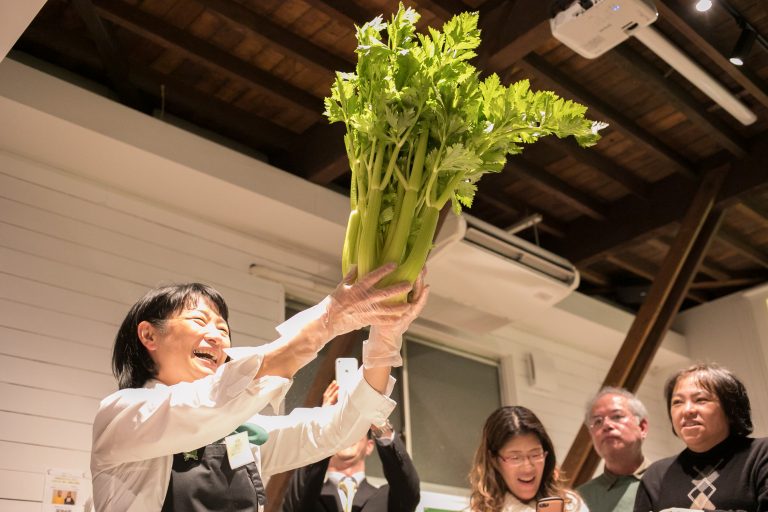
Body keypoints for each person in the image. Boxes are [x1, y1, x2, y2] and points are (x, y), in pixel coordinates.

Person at [90, 263, 429, 512]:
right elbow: (206, 404)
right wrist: (329, 317)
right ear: (149, 335)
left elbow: (335, 430)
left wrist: (386, 337)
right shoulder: (122, 415)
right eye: (199, 321)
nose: (217, 336)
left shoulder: (245, 434)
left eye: (223, 329)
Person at [634, 363, 768, 511]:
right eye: (677, 402)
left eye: (700, 400)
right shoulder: (656, 475)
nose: (687, 410)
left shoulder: (761, 454)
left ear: (731, 409)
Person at [282, 380, 420, 512]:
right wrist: (323, 425)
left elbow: (409, 489)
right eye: (340, 432)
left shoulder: (387, 498)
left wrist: (380, 422)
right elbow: (295, 506)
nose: (348, 437)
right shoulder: (310, 495)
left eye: (355, 432)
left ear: (369, 446)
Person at [469, 406, 588, 512]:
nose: (528, 467)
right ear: (494, 461)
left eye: (535, 455)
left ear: (546, 455)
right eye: (515, 457)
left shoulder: (572, 505)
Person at [578, 387, 649, 512]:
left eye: (616, 416)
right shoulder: (580, 499)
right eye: (598, 421)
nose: (606, 425)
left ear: (642, 427)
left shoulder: (667, 479)